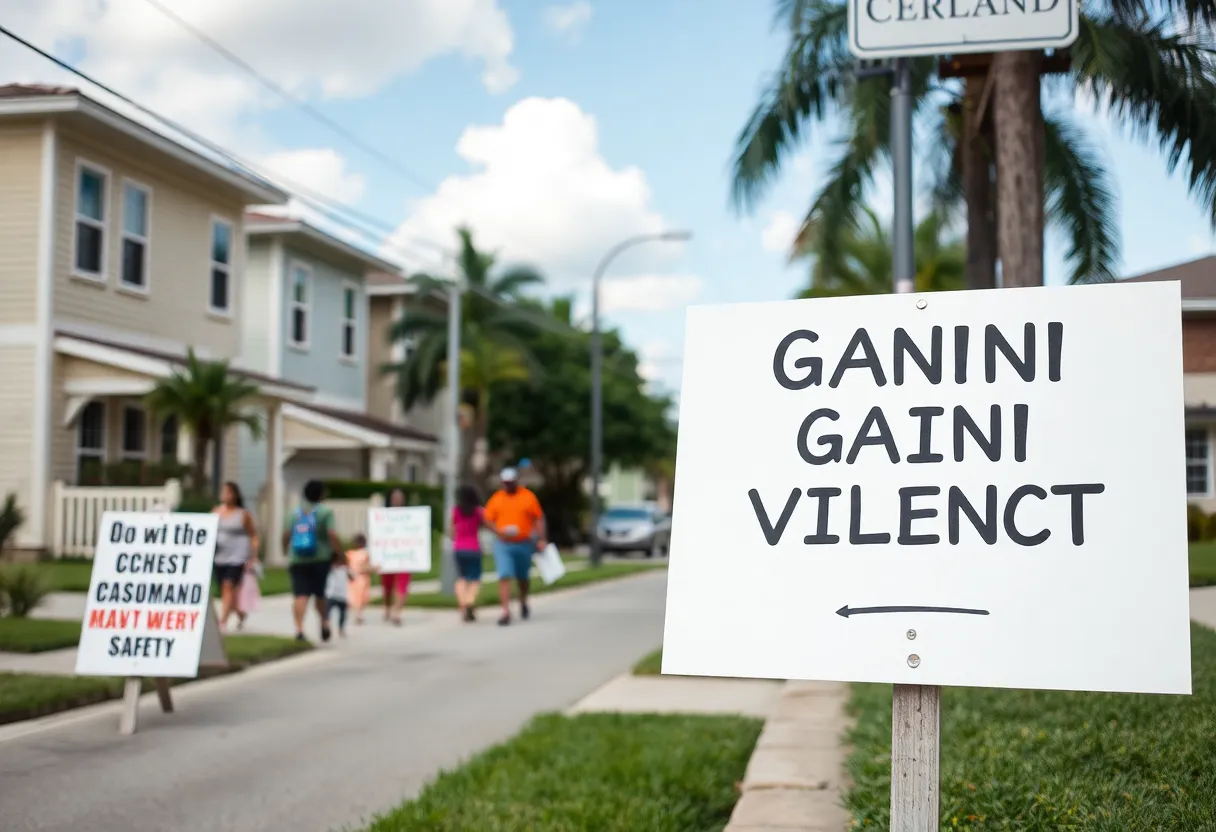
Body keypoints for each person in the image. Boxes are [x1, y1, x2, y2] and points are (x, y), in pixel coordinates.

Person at [282, 480, 344, 642]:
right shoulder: (325, 512)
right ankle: (324, 622)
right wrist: (339, 553)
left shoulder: (294, 513)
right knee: (320, 594)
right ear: (321, 494)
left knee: (300, 594)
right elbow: (331, 534)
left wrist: (285, 550)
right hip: (320, 558)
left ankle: (299, 629)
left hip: (298, 559)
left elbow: (286, 534)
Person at [484, 467, 547, 626]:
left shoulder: (527, 497)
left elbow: (538, 518)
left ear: (516, 482)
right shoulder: (497, 498)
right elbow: (488, 519)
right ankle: (505, 611)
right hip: (503, 544)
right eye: (505, 483)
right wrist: (498, 531)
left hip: (524, 543)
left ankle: (523, 600)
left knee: (523, 578)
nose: (508, 486)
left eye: (511, 483)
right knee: (504, 575)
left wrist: (541, 538)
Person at [211, 482, 259, 632]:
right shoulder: (216, 512)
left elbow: (253, 535)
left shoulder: (243, 514)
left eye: (229, 492)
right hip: (219, 557)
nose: (226, 495)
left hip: (238, 556)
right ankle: (241, 613)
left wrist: (253, 556)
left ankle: (222, 622)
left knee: (228, 585)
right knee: (227, 591)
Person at [452, 484, 489, 623]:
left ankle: (463, 605)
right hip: (473, 548)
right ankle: (469, 601)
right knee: (475, 579)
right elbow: (488, 524)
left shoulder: (456, 511)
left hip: (459, 548)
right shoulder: (478, 511)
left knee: (461, 578)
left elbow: (452, 530)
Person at [379, 487, 412, 626]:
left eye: (400, 497)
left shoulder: (411, 517)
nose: (398, 499)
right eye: (395, 497)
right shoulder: (382, 516)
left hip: (404, 556)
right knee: (387, 585)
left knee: (402, 584)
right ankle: (387, 607)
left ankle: (397, 612)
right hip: (388, 555)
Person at [345, 533, 373, 626]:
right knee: (358, 596)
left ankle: (358, 613)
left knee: (360, 596)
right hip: (356, 578)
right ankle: (358, 614)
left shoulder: (362, 554)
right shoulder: (352, 554)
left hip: (361, 577)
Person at [325, 549, 350, 638]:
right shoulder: (330, 569)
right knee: (327, 613)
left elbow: (352, 577)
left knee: (343, 615)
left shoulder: (345, 569)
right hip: (331, 595)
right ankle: (326, 626)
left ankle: (341, 629)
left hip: (342, 596)